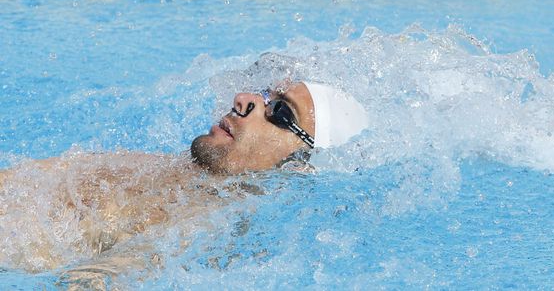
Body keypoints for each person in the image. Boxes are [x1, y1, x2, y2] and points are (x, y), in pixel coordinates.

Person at [0, 80, 368, 286]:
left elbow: (91, 281)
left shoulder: (210, 219)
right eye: (265, 93)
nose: (245, 100)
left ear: (298, 166)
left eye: (280, 112)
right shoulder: (163, 169)